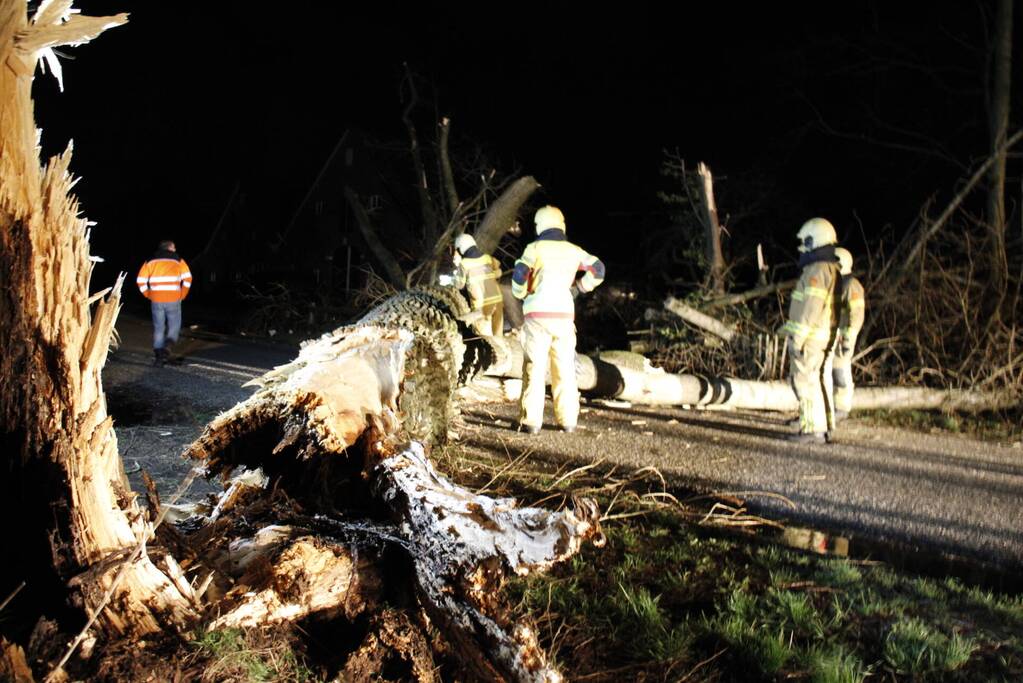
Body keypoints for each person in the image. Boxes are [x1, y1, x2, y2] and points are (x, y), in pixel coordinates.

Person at [511, 205, 605, 434]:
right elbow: (598, 269)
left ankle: (530, 421)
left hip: (537, 316)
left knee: (534, 368)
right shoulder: (575, 250)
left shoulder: (534, 248)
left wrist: (520, 293)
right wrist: (581, 288)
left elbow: (520, 274)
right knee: (564, 368)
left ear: (539, 225)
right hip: (564, 317)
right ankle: (568, 421)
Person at [780, 218, 840, 444]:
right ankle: (819, 426)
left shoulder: (816, 270)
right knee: (816, 380)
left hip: (811, 337)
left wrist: (798, 338)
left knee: (805, 381)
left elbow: (810, 308)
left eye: (806, 241)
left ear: (816, 239)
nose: (803, 247)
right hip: (821, 334)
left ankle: (812, 430)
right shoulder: (829, 268)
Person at [136, 240, 192, 366]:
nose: (175, 249)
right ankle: (167, 347)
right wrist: (183, 294)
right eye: (174, 247)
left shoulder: (150, 261)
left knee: (158, 327)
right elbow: (188, 278)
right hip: (173, 298)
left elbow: (140, 280)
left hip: (156, 299)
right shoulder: (178, 260)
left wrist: (149, 294)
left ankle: (158, 354)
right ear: (170, 248)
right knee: (174, 325)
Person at [832, 247, 865, 422]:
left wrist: (847, 337)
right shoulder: (837, 284)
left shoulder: (851, 286)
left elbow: (856, 316)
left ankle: (842, 407)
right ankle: (829, 409)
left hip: (842, 338)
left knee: (840, 371)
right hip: (831, 336)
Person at [452, 233, 504, 336]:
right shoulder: (487, 258)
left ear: (461, 249)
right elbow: (499, 271)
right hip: (497, 304)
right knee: (499, 341)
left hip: (481, 309)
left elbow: (458, 286)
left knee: (486, 343)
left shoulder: (464, 264)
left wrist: (457, 266)